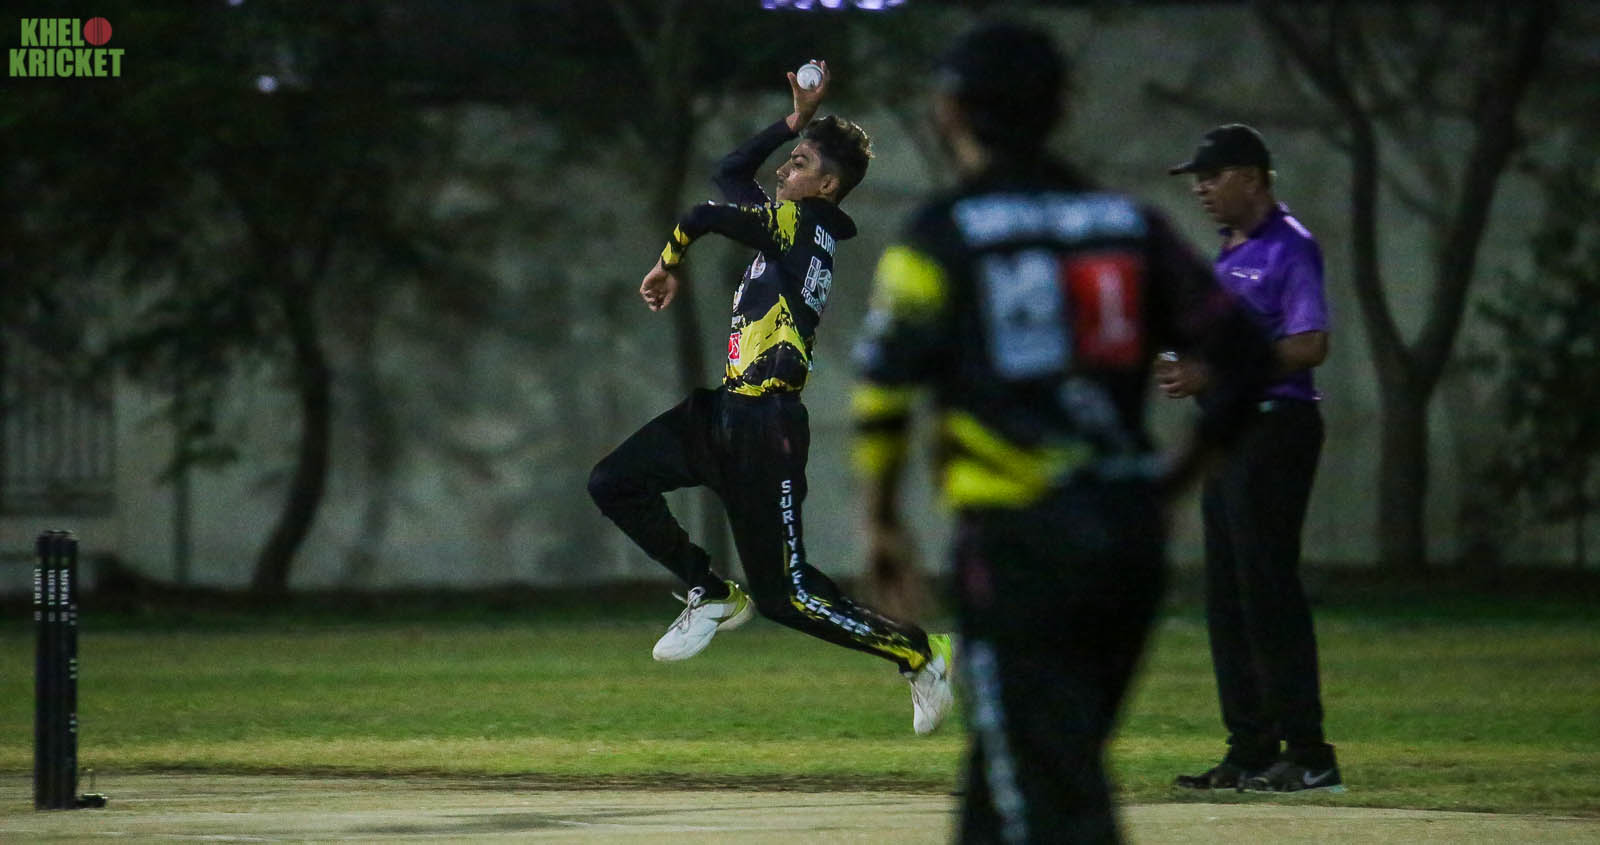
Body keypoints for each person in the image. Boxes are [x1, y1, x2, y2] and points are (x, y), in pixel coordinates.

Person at [853, 23, 1274, 844]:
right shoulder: (1129, 225)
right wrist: (1174, 481)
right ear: (1063, 108)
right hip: (1126, 542)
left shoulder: (942, 234)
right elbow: (1247, 355)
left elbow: (886, 390)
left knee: (1049, 784)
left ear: (949, 111)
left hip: (1020, 545)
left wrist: (881, 520)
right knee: (1024, 764)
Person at [587, 60, 955, 737]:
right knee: (614, 481)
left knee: (787, 596)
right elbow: (729, 170)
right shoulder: (786, 222)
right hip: (726, 412)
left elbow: (703, 213)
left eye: (801, 162)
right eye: (789, 159)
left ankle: (920, 651)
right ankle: (710, 592)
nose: (784, 169)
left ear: (828, 186)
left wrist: (668, 262)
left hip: (766, 428)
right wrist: (796, 119)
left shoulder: (803, 226)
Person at [1162, 124, 1341, 793]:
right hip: (1232, 431)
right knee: (1229, 598)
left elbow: (1310, 342)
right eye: (1198, 180)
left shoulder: (1289, 245)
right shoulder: (1232, 250)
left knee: (1267, 591)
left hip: (1276, 427)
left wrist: (1216, 371)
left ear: (1253, 178)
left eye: (1212, 177)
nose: (1202, 190)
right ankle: (1251, 751)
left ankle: (1311, 753)